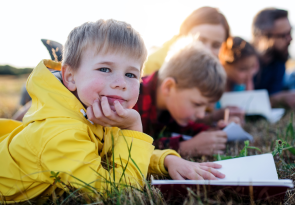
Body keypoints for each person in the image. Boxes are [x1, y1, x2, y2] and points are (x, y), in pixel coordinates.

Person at [0, 19, 225, 203]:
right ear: (70, 77)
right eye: (105, 69)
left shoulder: (93, 111)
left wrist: (166, 161)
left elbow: (113, 153)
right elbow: (115, 192)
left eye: (131, 74)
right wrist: (133, 128)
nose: (121, 83)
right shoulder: (60, 133)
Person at [143, 6, 230, 76]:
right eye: (200, 41)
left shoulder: (219, 71)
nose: (207, 50)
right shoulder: (155, 64)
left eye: (216, 45)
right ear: (185, 32)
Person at [252, 8, 294, 108]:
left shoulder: (278, 60)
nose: (290, 39)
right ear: (263, 38)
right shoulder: (245, 61)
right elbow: (245, 100)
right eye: (284, 35)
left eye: (290, 32)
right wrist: (281, 98)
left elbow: (274, 92)